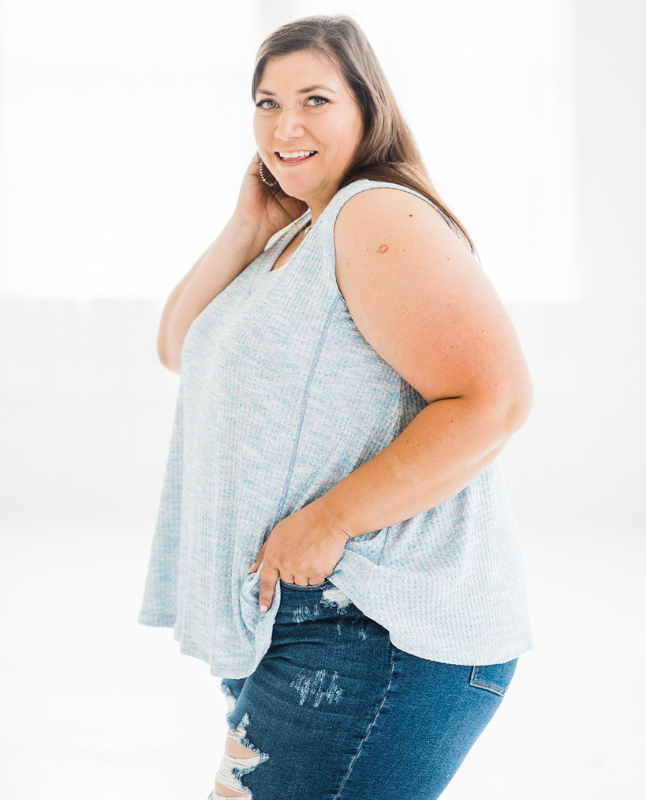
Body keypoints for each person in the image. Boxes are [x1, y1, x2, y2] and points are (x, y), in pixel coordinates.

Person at [137, 14, 533, 800]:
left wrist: (328, 521)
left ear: (366, 108)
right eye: (266, 102)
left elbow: (494, 400)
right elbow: (180, 345)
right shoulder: (296, 235)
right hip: (295, 620)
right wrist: (249, 222)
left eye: (315, 99)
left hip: (374, 628)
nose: (285, 124)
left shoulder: (375, 213)